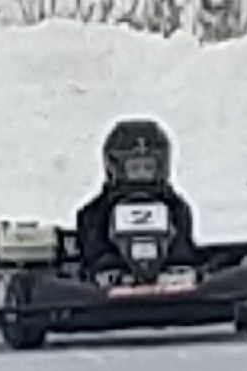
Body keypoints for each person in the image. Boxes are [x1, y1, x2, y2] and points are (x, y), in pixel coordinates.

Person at [75, 118, 196, 276]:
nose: (141, 174)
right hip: (109, 277)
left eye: (148, 168)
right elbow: (93, 247)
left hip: (170, 276)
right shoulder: (97, 210)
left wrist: (180, 263)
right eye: (135, 168)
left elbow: (183, 248)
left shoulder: (176, 206)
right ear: (115, 168)